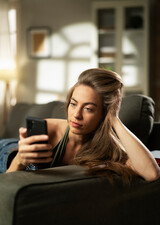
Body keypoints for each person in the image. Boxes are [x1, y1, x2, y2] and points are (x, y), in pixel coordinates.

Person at [4, 68, 160, 183]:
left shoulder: (108, 146)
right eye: (73, 104)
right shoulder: (48, 131)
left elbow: (151, 173)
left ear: (104, 113)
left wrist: (114, 118)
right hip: (5, 150)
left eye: (88, 109)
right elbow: (6, 183)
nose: (76, 115)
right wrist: (19, 160)